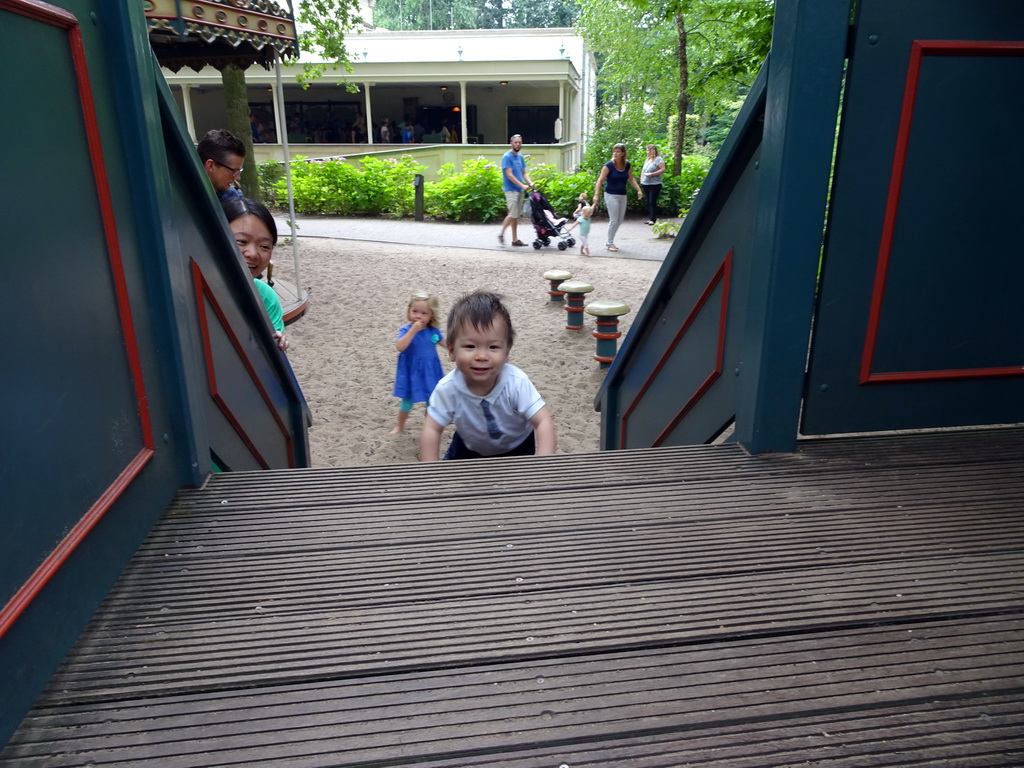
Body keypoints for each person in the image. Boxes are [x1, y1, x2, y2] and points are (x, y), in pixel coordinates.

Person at [420, 291, 556, 461]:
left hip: (518, 445)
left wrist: (542, 465)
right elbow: (432, 428)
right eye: (470, 346)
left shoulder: (516, 382)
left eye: (493, 347)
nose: (482, 356)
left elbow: (543, 421)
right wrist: (430, 470)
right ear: (452, 351)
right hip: (469, 448)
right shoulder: (447, 388)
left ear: (507, 352)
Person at [221, 196, 289, 351]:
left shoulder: (265, 296)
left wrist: (278, 342)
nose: (252, 254)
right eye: (241, 242)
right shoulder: (189, 286)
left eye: (264, 246)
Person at [390, 291, 445, 435]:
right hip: (411, 372)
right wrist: (413, 331)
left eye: (423, 313)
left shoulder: (433, 331)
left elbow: (446, 344)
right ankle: (400, 426)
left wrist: (455, 352)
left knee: (431, 402)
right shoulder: (406, 330)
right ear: (409, 311)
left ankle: (428, 428)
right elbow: (400, 346)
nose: (418, 316)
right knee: (407, 402)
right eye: (414, 311)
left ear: (431, 315)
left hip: (429, 372)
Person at [592, 142, 643, 252]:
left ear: (623, 153)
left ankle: (610, 240)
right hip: (610, 195)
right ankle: (609, 242)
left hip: (622, 195)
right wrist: (596, 195)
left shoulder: (627, 165)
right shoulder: (609, 165)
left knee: (619, 220)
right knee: (614, 220)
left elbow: (631, 178)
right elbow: (600, 180)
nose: (615, 153)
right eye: (614, 151)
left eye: (618, 151)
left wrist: (638, 190)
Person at [497, 134, 534, 247]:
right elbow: (509, 175)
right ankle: (501, 233)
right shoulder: (507, 157)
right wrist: (523, 186)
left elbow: (524, 173)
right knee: (513, 214)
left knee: (516, 215)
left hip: (519, 189)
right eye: (516, 142)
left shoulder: (520, 157)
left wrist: (530, 183)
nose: (518, 144)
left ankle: (515, 239)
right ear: (511, 143)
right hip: (510, 190)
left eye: (519, 142)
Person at [198, 128, 245, 201]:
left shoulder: (232, 196)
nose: (238, 178)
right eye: (234, 171)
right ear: (210, 165)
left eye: (239, 171)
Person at [640, 144, 667, 224]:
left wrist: (653, 174)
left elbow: (662, 169)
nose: (647, 152)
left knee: (652, 201)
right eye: (647, 150)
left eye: (648, 150)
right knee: (648, 201)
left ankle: (653, 219)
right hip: (646, 183)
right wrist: (642, 180)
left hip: (655, 184)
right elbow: (643, 171)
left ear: (652, 151)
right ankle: (650, 218)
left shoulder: (658, 159)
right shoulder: (647, 160)